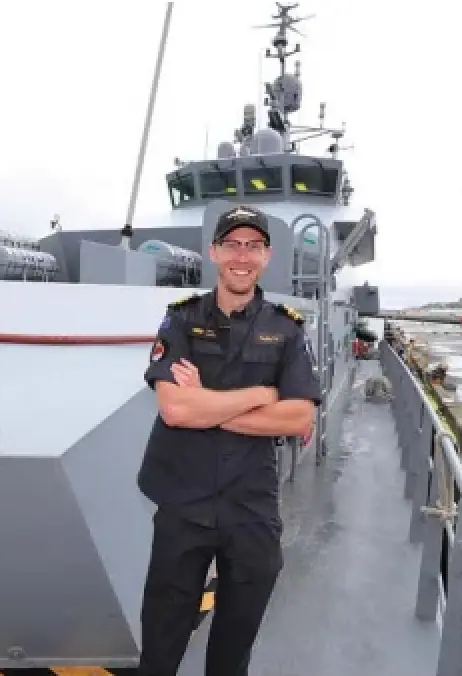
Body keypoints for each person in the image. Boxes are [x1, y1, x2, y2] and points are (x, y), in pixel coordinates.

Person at [136, 205, 324, 676]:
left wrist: (208, 404)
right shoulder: (180, 320)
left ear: (267, 255)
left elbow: (299, 415)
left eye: (253, 246)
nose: (243, 256)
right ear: (214, 252)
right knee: (161, 640)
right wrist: (262, 396)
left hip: (250, 507)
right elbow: (175, 409)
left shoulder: (286, 328)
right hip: (184, 501)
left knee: (234, 646)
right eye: (233, 245)